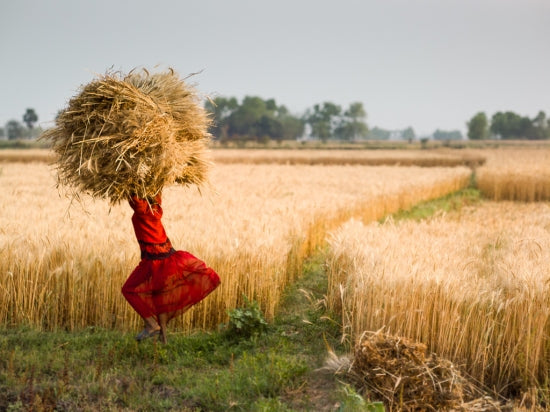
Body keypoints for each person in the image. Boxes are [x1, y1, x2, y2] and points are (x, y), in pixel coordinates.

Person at [122, 193, 220, 343]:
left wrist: (125, 181)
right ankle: (164, 338)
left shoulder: (143, 211)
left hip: (154, 260)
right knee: (160, 297)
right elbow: (156, 192)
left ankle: (152, 325)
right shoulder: (156, 207)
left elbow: (135, 198)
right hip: (167, 257)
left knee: (128, 289)